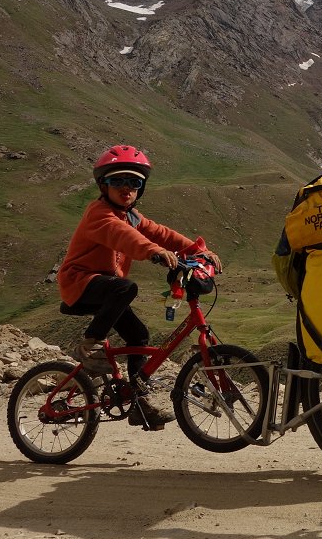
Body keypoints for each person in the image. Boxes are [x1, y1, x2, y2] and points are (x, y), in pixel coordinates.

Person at [58, 145, 222, 430]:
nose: (127, 188)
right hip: (80, 283)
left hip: (108, 288)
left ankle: (138, 404)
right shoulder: (99, 213)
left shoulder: (132, 216)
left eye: (134, 182)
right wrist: (153, 251)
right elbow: (123, 236)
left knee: (139, 335)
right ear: (103, 185)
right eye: (117, 181)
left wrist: (198, 250)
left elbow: (161, 233)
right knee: (125, 288)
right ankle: (90, 346)